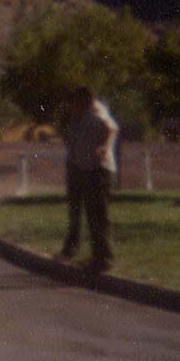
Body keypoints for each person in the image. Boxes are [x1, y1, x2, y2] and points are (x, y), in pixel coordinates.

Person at [59, 86, 119, 273]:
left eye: (75, 102)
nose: (71, 106)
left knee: (97, 216)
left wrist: (103, 147)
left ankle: (104, 259)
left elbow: (111, 129)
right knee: (88, 214)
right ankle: (95, 257)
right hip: (82, 167)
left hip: (97, 169)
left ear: (85, 101)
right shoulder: (79, 118)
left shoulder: (95, 114)